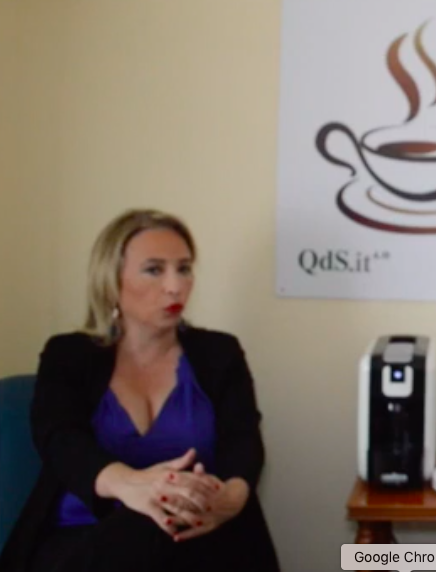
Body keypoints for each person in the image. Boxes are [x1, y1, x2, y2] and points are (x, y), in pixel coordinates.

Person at [0, 209, 279, 572]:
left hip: (195, 536)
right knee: (148, 525)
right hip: (84, 541)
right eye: (154, 270)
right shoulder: (68, 354)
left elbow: (243, 440)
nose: (175, 286)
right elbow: (59, 438)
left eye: (184, 269)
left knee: (180, 531)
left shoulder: (219, 352)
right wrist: (134, 485)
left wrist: (231, 498)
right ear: (111, 279)